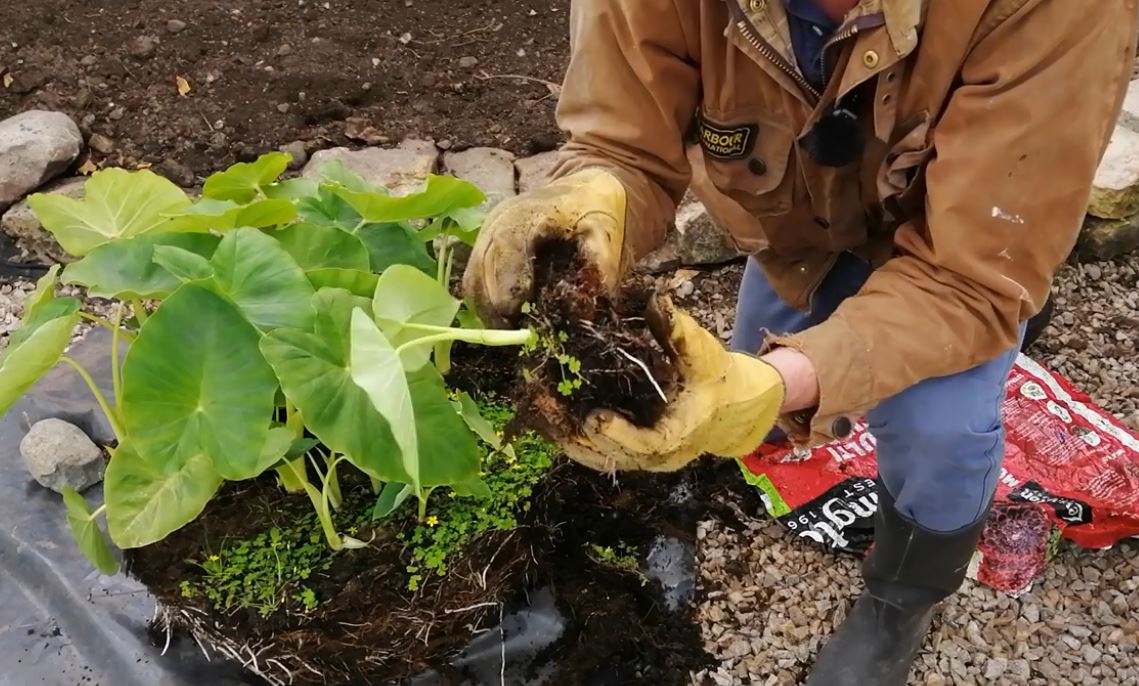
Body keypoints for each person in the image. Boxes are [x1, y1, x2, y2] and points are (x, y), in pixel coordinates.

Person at [463, 0, 1138, 683]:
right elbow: (625, 142)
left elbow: (967, 277)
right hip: (799, 236)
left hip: (955, 252)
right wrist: (594, 194)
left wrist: (789, 379)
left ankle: (900, 599)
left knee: (938, 431)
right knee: (743, 367)